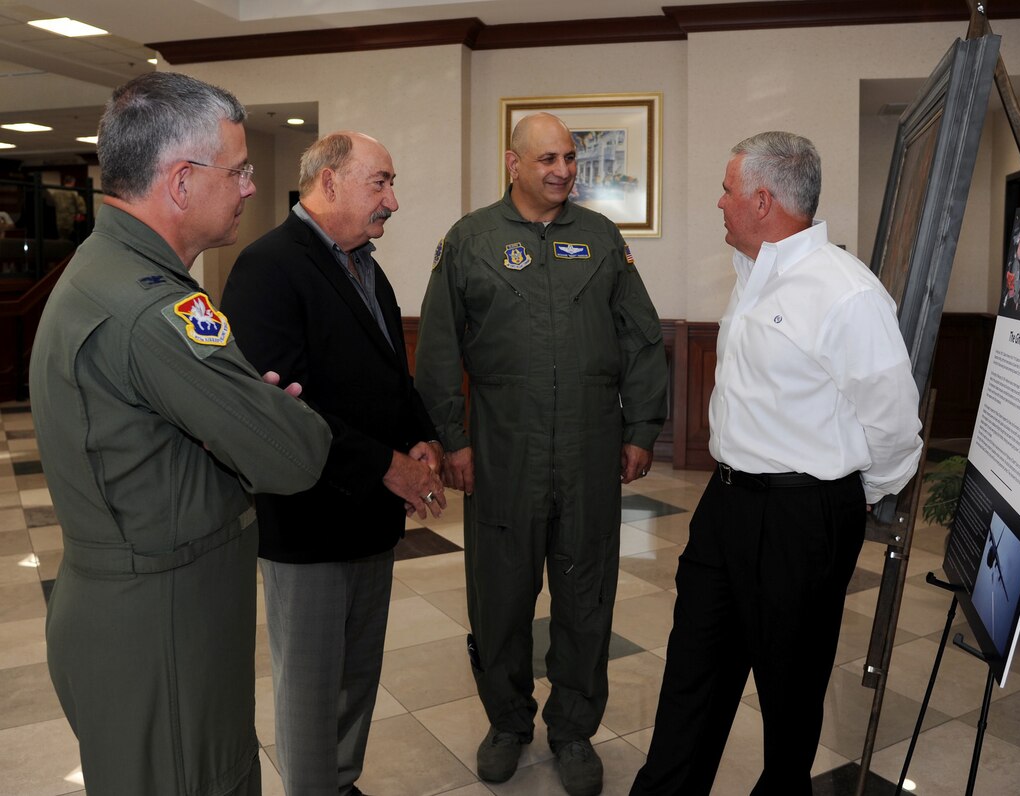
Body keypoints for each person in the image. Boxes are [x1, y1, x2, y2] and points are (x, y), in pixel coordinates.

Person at [28, 72, 333, 796]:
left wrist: (232, 418)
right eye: (240, 172)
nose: (251, 189)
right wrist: (251, 418)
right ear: (182, 181)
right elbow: (298, 454)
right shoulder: (150, 311)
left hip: (142, 613)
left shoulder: (108, 273)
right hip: (160, 629)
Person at [630, 132, 923, 796]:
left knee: (789, 698)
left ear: (762, 201)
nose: (719, 202)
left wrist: (843, 496)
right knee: (692, 676)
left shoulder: (847, 293)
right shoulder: (752, 275)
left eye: (727, 190)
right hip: (726, 505)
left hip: (802, 518)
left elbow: (895, 428)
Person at [414, 112, 668, 796]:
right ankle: (507, 723)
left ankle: (574, 729)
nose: (562, 170)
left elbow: (642, 337)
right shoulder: (470, 241)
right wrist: (453, 440)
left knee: (586, 597)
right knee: (500, 598)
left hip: (589, 451)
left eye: (570, 158)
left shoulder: (602, 239)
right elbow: (437, 352)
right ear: (513, 163)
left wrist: (642, 429)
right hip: (503, 452)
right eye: (547, 158)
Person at [221, 131, 447, 796]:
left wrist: (422, 437)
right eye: (380, 183)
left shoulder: (364, 264)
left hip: (370, 516)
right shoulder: (268, 266)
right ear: (329, 182)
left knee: (356, 675)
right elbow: (281, 411)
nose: (393, 201)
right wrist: (388, 466)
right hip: (309, 520)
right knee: (311, 688)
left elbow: (388, 374)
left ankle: (341, 784)